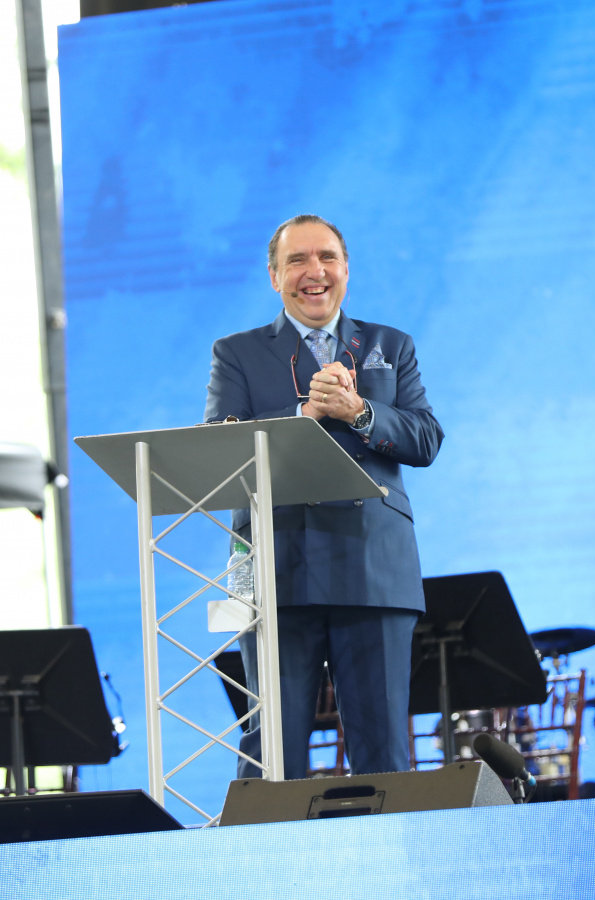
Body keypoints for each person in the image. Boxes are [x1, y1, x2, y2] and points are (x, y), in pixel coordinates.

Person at [204, 214, 443, 779]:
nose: (315, 272)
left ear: (346, 269)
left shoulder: (391, 345)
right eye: (297, 260)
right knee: (272, 752)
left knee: (384, 754)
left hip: (373, 565)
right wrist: (302, 416)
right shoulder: (236, 353)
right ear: (274, 276)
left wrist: (360, 412)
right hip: (275, 565)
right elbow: (218, 449)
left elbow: (426, 439)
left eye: (327, 257)